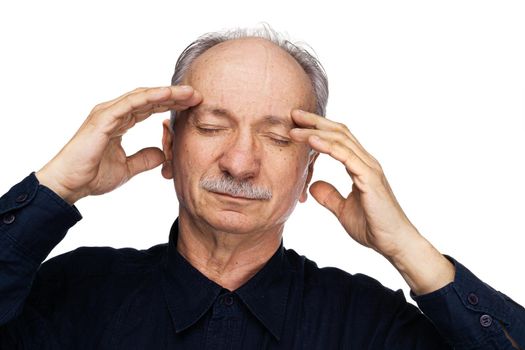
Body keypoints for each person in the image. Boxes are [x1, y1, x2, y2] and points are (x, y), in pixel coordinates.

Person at [0, 26, 523, 349]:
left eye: (276, 137)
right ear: (170, 144)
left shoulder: (368, 324)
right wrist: (54, 186)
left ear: (309, 171)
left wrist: (411, 251)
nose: (242, 162)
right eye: (210, 127)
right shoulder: (72, 293)